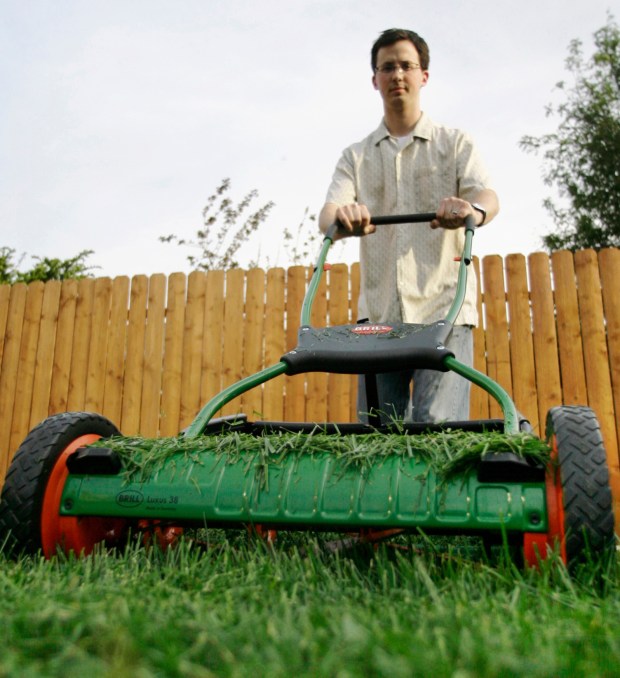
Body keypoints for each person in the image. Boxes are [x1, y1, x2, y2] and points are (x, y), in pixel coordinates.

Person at [319, 28, 499, 424]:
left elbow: (488, 198)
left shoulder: (454, 144)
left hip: (443, 310)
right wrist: (344, 218)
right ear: (375, 80)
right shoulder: (357, 156)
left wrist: (470, 209)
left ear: (424, 76)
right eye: (387, 67)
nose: (397, 74)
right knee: (377, 436)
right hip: (379, 319)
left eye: (406, 65)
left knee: (437, 429)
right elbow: (328, 215)